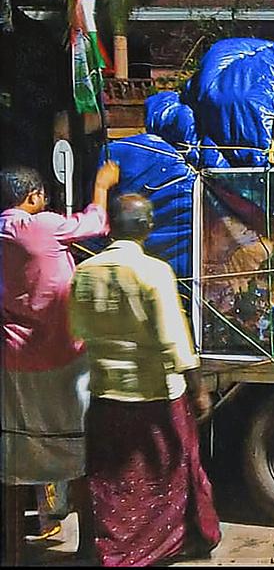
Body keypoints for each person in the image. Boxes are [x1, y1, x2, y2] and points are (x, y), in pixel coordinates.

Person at [68, 193, 220, 567]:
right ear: (148, 227)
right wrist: (198, 389)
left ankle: (111, 547)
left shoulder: (85, 272)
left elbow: (76, 330)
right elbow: (175, 339)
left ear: (111, 228)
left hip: (105, 394)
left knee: (113, 480)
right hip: (156, 394)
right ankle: (163, 545)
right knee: (168, 472)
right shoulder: (154, 272)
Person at [1, 161, 119, 565]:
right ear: (32, 197)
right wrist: (102, 184)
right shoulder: (42, 226)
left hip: (12, 360)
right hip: (62, 357)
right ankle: (87, 548)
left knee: (16, 453)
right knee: (79, 452)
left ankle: (13, 550)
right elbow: (97, 222)